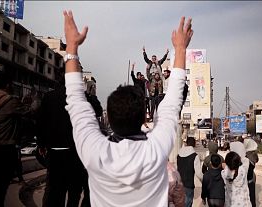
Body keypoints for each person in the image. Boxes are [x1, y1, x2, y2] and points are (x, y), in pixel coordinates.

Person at [63, 11, 193, 206]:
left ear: (110, 119)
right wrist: (181, 49)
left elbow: (76, 101)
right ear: (143, 117)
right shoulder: (156, 149)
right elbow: (173, 102)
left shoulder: (94, 150)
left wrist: (71, 47)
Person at [36, 78, 87, 207]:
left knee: (54, 190)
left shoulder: (49, 97)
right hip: (74, 152)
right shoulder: (79, 97)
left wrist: (41, 144)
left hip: (54, 151)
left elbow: (41, 122)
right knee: (74, 190)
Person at [0, 73, 29, 206]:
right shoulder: (10, 101)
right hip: (6, 148)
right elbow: (29, 111)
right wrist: (30, 101)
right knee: (1, 187)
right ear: (7, 85)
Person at [177, 137, 203, 207]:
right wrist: (204, 180)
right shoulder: (195, 156)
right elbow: (199, 174)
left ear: (186, 143)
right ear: (194, 144)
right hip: (188, 185)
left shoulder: (178, 155)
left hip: (179, 185)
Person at [244, 138, 259, 207]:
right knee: (252, 196)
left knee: (249, 196)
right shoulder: (253, 154)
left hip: (248, 178)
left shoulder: (248, 155)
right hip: (252, 176)